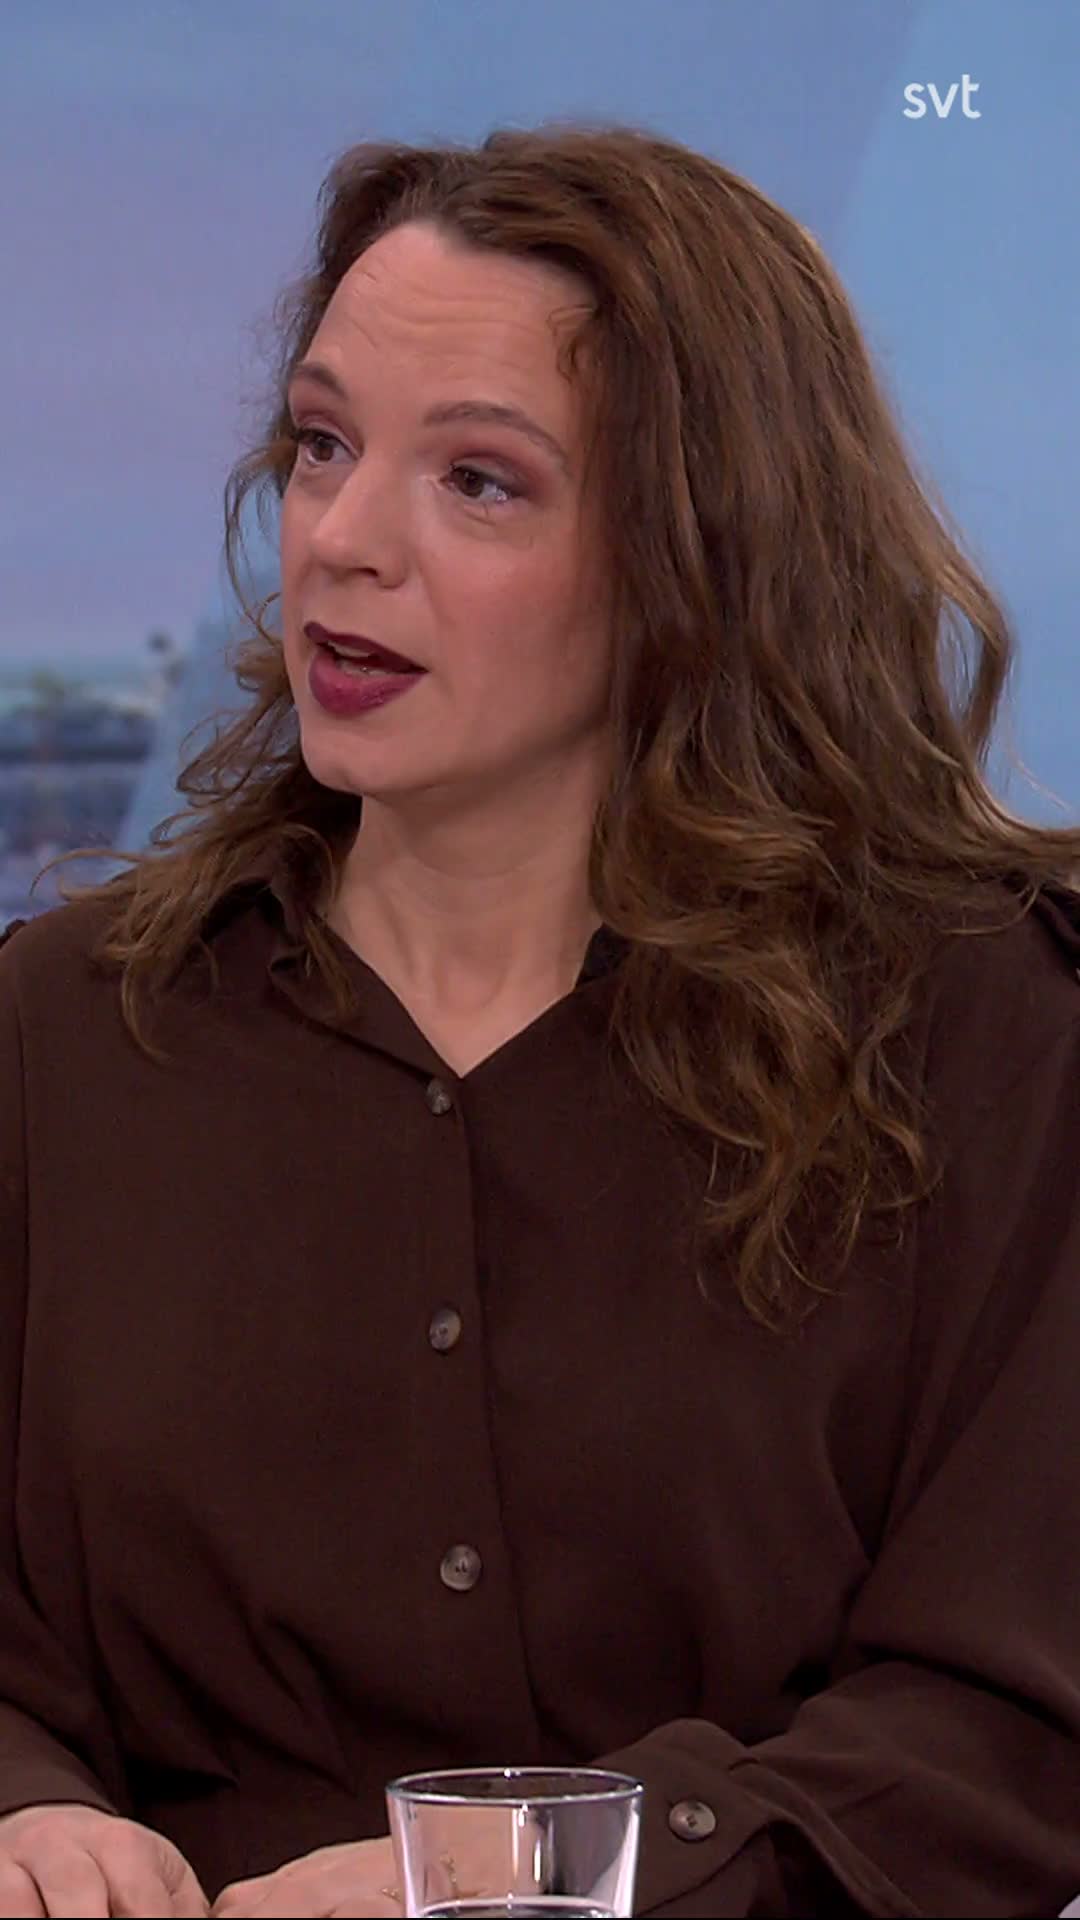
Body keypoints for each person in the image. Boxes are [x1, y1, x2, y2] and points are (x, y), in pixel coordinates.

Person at [1, 119, 1079, 1920]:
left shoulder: (983, 1034)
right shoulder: (62, 1033)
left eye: (479, 482)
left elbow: (1009, 1728)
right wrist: (26, 1814)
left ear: (698, 553)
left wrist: (508, 1876)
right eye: (322, 445)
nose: (343, 541)